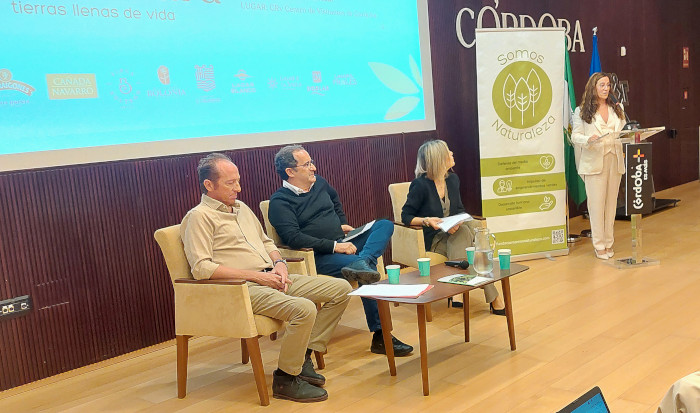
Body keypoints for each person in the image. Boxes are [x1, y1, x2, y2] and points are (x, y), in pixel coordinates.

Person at [180, 153, 352, 403]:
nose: (238, 188)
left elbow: (267, 242)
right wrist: (257, 277)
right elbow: (201, 268)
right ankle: (285, 378)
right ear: (209, 185)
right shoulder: (198, 217)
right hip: (241, 288)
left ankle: (303, 354)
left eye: (238, 181)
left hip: (270, 276)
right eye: (230, 183)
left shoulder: (242, 209)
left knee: (342, 289)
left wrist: (279, 263)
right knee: (304, 309)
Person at [268, 145, 413, 357]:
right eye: (307, 164)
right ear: (290, 172)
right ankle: (381, 335)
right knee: (367, 272)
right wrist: (336, 246)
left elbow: (335, 203)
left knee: (384, 224)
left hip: (344, 240)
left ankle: (362, 260)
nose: (313, 168)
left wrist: (342, 224)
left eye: (311, 162)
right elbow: (293, 238)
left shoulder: (320, 184)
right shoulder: (279, 202)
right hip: (320, 255)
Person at [401, 139, 506, 314]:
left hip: (456, 235)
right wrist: (428, 220)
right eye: (448, 151)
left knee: (470, 230)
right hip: (434, 238)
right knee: (473, 245)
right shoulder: (420, 185)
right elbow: (406, 216)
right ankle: (494, 296)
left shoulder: (453, 180)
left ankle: (458, 290)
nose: (452, 154)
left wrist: (458, 221)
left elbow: (459, 210)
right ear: (438, 159)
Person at [571, 72, 626, 260]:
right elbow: (574, 136)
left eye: (608, 85)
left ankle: (609, 243)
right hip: (594, 162)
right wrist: (588, 139)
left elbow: (622, 130)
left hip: (614, 160)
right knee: (596, 206)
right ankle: (599, 245)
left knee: (611, 206)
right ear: (593, 87)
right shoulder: (581, 111)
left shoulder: (616, 108)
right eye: (602, 85)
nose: (606, 88)